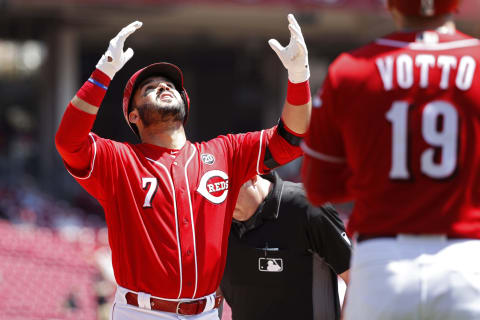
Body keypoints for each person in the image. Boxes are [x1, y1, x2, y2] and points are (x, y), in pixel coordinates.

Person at [55, 14, 312, 320]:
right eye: (149, 88)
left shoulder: (225, 152)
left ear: (185, 104)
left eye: (169, 85)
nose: (163, 87)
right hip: (141, 312)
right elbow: (68, 142)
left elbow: (293, 138)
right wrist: (102, 75)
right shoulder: (119, 161)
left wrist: (299, 77)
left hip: (207, 312)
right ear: (133, 116)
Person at [301, 0, 480, 319]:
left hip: (383, 265)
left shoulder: (352, 69)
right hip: (467, 262)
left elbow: (318, 188)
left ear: (391, 5)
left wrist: (376, 176)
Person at [220, 172, 351, 320]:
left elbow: (355, 277)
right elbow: (213, 295)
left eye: (229, 191)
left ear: (251, 177)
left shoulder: (306, 207)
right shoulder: (218, 221)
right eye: (217, 196)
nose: (225, 203)